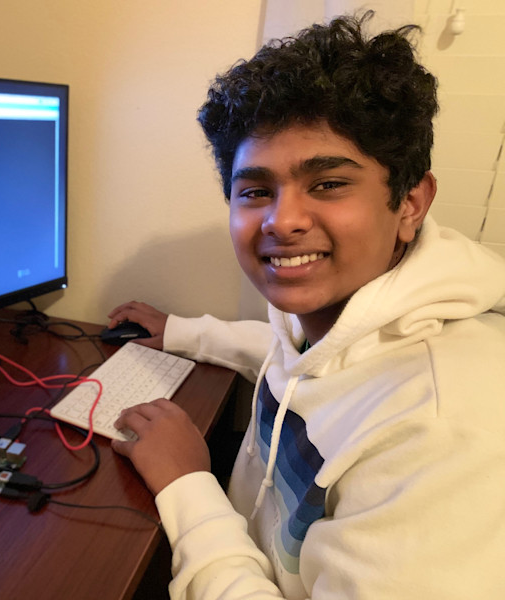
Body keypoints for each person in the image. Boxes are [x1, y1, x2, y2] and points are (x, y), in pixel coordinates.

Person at [106, 12, 505, 600]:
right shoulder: (336, 313)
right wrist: (182, 332)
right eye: (256, 191)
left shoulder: (448, 433)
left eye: (328, 184)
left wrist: (188, 483)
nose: (283, 220)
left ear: (410, 203)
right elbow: (301, 359)